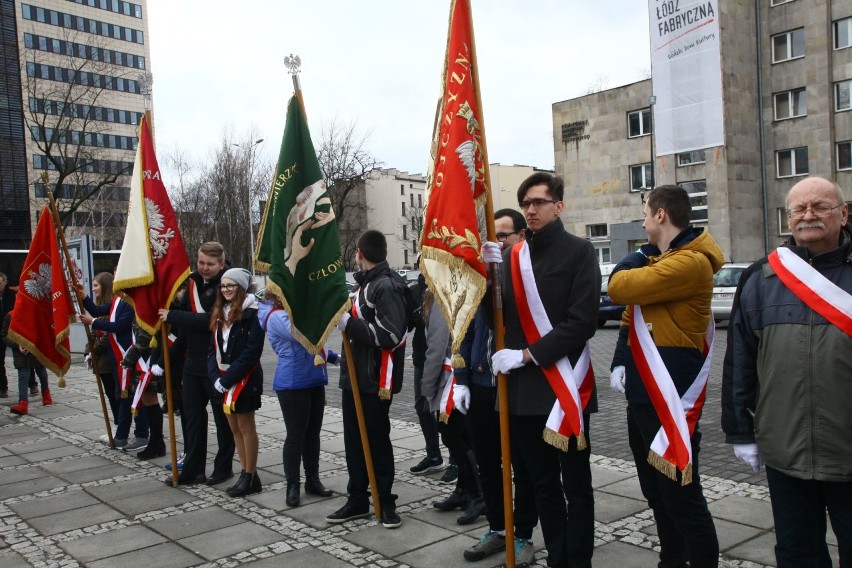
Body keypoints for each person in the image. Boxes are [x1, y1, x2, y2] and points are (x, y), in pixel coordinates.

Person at [722, 176, 851, 567]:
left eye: (821, 207)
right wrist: (740, 429)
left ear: (844, 214)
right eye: (799, 209)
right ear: (788, 218)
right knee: (797, 553)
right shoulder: (761, 277)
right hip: (786, 449)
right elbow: (740, 360)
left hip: (849, 451)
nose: (809, 215)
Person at [486, 173, 600, 567]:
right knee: (541, 483)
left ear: (559, 206)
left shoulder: (579, 252)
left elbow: (583, 321)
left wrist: (527, 355)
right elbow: (495, 320)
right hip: (521, 395)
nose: (531, 210)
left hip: (564, 389)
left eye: (538, 202)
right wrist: (488, 279)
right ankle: (558, 557)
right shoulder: (513, 257)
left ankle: (578, 560)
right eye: (525, 204)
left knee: (576, 486)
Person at [608, 185, 722, 568]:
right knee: (656, 492)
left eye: (645, 212)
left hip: (669, 396)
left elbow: (620, 286)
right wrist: (620, 361)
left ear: (660, 215)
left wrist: (640, 254)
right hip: (643, 393)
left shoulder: (689, 262)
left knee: (682, 496)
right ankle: (672, 560)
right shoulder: (666, 259)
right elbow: (629, 317)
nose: (642, 221)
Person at [456, 208, 539, 563]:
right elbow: (466, 329)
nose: (497, 241)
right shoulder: (482, 277)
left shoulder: (530, 277)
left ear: (521, 236)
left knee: (523, 466)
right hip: (481, 384)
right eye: (493, 237)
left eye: (503, 235)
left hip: (516, 386)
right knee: (488, 462)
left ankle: (522, 535)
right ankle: (497, 528)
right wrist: (460, 380)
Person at [327, 229, 408, 529]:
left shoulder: (385, 286)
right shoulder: (367, 284)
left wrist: (351, 323)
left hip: (375, 379)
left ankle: (385, 501)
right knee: (354, 440)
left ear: (359, 253)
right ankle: (358, 497)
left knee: (376, 441)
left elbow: (390, 334)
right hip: (356, 376)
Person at [159, 241, 234, 487]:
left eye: (210, 264)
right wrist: (164, 360)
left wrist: (173, 315)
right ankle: (193, 468)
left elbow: (209, 320)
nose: (204, 268)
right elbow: (184, 331)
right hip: (192, 361)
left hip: (217, 363)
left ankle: (223, 468)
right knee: (192, 418)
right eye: (201, 262)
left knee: (222, 420)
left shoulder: (229, 285)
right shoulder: (190, 283)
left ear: (221, 264)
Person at [261, 292, 338, 507]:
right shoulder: (276, 315)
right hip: (292, 382)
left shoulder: (295, 312)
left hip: (314, 378)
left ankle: (313, 480)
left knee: (313, 434)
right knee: (296, 435)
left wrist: (332, 357)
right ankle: (292, 484)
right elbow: (304, 334)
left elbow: (316, 343)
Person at [422, 287, 485, 526]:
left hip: (451, 378)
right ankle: (464, 490)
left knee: (452, 435)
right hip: (464, 374)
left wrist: (426, 386)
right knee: (463, 436)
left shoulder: (441, 295)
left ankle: (478, 494)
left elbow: (437, 347)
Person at [207, 268, 265, 497]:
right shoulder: (220, 312)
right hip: (223, 380)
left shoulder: (252, 314)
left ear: (241, 288)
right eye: (223, 286)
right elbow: (212, 350)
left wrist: (228, 379)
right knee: (233, 428)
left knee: (245, 426)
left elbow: (252, 352)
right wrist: (215, 378)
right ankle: (245, 472)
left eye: (231, 286)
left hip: (245, 379)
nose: (226, 290)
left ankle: (249, 475)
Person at [79, 275, 149, 449]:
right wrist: (84, 297)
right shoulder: (118, 300)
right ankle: (121, 436)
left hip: (131, 356)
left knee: (136, 397)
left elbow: (119, 326)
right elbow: (96, 310)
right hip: (118, 358)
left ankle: (142, 434)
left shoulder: (129, 302)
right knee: (123, 396)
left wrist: (93, 323)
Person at [408, 263, 445, 477]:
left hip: (444, 359)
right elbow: (409, 323)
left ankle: (459, 463)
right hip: (422, 356)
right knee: (422, 407)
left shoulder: (443, 287)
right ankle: (433, 455)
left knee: (446, 413)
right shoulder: (416, 290)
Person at [83, 273, 120, 423]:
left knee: (115, 395)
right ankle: (118, 425)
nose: (94, 289)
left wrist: (94, 351)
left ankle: (120, 426)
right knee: (110, 395)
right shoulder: (100, 307)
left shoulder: (113, 306)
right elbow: (92, 333)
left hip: (109, 361)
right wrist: (87, 351)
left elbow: (107, 335)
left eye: (96, 285)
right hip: (101, 362)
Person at [3, 310, 51, 415]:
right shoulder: (10, 315)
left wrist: (34, 343)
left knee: (41, 372)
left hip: (35, 349)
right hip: (20, 352)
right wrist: (17, 345)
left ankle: (46, 395)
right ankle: (23, 403)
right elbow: (4, 335)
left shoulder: (35, 313)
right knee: (23, 376)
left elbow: (43, 331)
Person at [0, 272, 16, 398]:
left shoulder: (12, 295)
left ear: (5, 282)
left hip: (11, 331)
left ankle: (32, 384)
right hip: (1, 333)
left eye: (0, 283)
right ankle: (2, 387)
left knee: (22, 358)